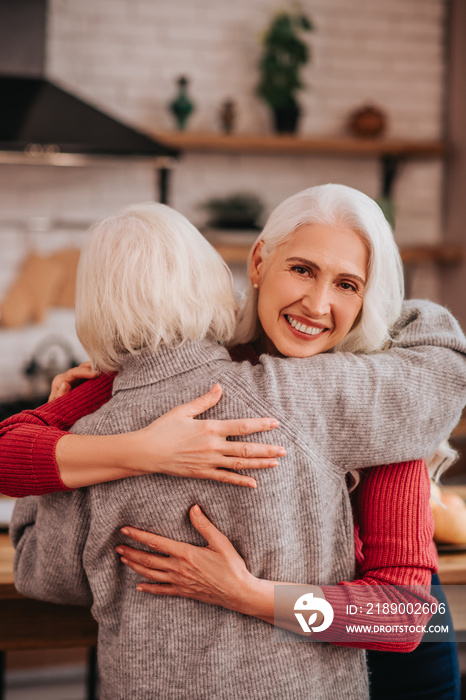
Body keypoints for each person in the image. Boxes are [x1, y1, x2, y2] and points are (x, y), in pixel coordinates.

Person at [10, 191, 466, 700]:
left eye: (347, 284)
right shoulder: (195, 364)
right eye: (301, 269)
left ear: (365, 300)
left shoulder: (376, 405)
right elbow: (12, 449)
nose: (317, 304)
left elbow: (400, 619)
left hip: (393, 661)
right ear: (258, 262)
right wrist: (141, 447)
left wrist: (247, 594)